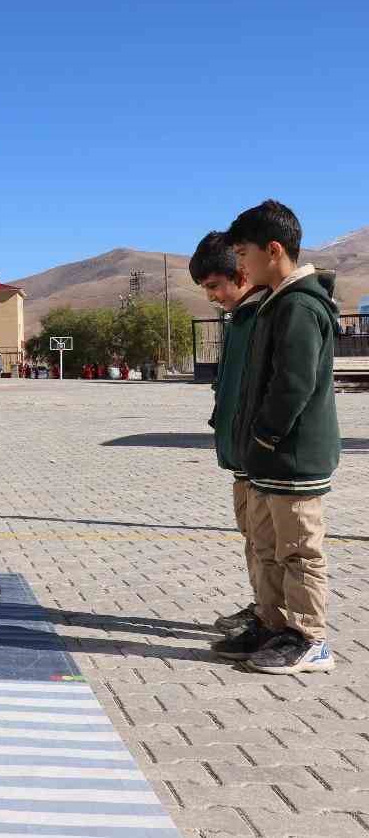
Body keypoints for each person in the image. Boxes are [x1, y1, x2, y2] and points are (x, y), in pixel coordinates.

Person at [217, 200, 339, 674]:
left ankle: (310, 638)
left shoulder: (301, 306)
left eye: (243, 253)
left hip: (292, 458)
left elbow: (294, 383)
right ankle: (273, 624)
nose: (240, 265)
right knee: (267, 548)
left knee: (298, 551)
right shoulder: (273, 302)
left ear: (272, 250)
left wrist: (265, 437)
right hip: (266, 460)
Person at [190, 231, 268, 646]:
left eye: (215, 286)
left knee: (280, 549)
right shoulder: (239, 319)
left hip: (263, 456)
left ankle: (286, 625)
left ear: (242, 272)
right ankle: (262, 609)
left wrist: (264, 441)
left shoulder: (267, 316)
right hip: (241, 456)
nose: (213, 297)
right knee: (254, 541)